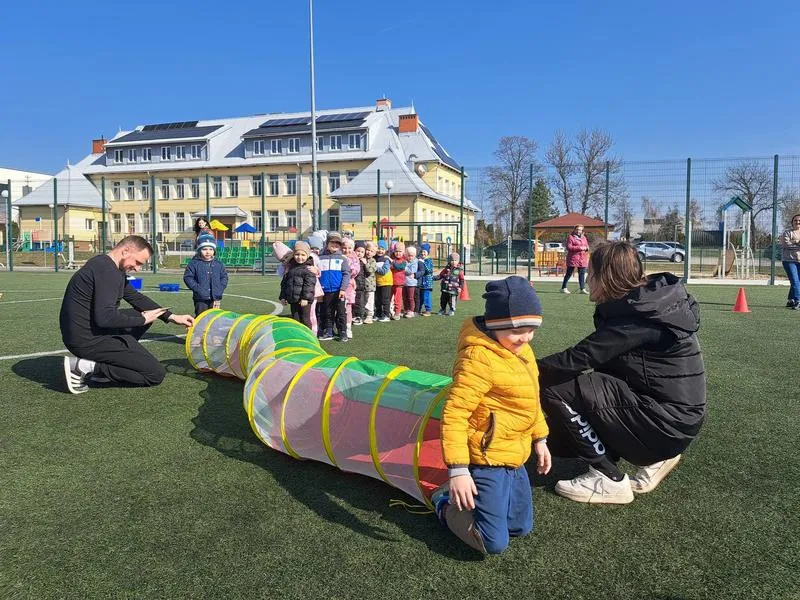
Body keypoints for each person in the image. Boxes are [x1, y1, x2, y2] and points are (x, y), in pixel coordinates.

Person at [537, 241, 706, 504]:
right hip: (674, 419)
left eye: (591, 273)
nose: (588, 278)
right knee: (560, 435)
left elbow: (579, 358)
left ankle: (608, 479)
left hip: (666, 424)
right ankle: (656, 457)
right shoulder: (646, 305)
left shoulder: (637, 317)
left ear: (605, 277)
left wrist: (520, 367)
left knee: (554, 387)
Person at [433, 276, 550, 554]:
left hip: (515, 455)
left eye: (531, 329)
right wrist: (459, 469)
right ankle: (443, 503)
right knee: (493, 542)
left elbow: (530, 399)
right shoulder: (479, 359)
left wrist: (540, 438)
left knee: (520, 527)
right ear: (496, 325)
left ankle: (478, 503)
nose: (526, 337)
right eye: (517, 331)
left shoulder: (521, 351)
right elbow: (455, 413)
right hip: (486, 459)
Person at [59, 235, 194, 394]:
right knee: (155, 374)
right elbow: (105, 318)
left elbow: (135, 297)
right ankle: (86, 367)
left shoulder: (106, 265)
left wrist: (172, 317)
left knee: (142, 314)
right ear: (125, 251)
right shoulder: (107, 271)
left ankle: (107, 366)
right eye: (137, 262)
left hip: (85, 332)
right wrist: (143, 319)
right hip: (86, 340)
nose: (137, 269)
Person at [183, 233, 228, 316]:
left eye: (211, 249)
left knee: (214, 318)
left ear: (214, 250)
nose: (208, 252)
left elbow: (224, 277)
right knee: (201, 317)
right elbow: (188, 277)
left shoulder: (219, 264)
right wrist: (197, 288)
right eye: (204, 249)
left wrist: (219, 289)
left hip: (215, 298)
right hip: (200, 299)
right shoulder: (194, 263)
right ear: (199, 250)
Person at [318, 231, 351, 342]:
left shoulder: (343, 259)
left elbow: (346, 275)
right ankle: (329, 331)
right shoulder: (320, 258)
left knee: (341, 312)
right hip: (325, 291)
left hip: (338, 291)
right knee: (327, 312)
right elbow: (317, 274)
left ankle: (343, 331)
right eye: (332, 242)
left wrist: (342, 289)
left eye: (338, 243)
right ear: (327, 243)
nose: (335, 245)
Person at [279, 241, 317, 330]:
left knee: (305, 320)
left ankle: (309, 338)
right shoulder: (290, 268)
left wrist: (305, 298)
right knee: (296, 320)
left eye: (303, 255)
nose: (300, 257)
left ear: (307, 255)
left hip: (304, 301)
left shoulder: (309, 268)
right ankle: (299, 338)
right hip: (293, 299)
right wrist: (282, 297)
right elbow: (285, 283)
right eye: (297, 254)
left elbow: (309, 286)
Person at [561, 224, 590, 294]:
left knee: (582, 274)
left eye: (580, 229)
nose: (578, 231)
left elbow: (586, 245)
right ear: (574, 230)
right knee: (569, 273)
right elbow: (569, 247)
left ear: (582, 230)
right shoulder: (570, 237)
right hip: (573, 258)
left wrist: (587, 248)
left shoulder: (584, 238)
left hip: (582, 258)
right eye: (577, 229)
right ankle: (563, 288)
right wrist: (580, 248)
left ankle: (582, 289)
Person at [779, 213, 800, 309]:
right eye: (795, 220)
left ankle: (790, 300)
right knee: (795, 281)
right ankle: (798, 301)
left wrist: (794, 242)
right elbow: (785, 244)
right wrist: (797, 243)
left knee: (797, 281)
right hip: (789, 261)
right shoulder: (787, 233)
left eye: (799, 221)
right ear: (792, 222)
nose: (797, 222)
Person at [374, 240, 393, 322]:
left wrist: (374, 267)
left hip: (386, 282)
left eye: (382, 249)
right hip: (378, 282)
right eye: (378, 248)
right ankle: (378, 314)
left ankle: (386, 315)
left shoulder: (386, 259)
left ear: (385, 250)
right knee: (377, 299)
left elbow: (383, 271)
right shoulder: (374, 258)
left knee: (385, 299)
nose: (380, 251)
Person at [390, 242, 407, 320]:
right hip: (390, 282)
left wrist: (393, 263)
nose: (398, 253)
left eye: (400, 251)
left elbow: (399, 267)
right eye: (396, 251)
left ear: (403, 252)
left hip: (399, 283)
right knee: (389, 298)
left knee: (397, 298)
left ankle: (397, 312)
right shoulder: (392, 258)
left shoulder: (404, 260)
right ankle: (389, 311)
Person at [361, 241, 378, 324]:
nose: (369, 252)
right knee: (362, 300)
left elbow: (371, 270)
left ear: (374, 253)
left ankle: (369, 315)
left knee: (369, 301)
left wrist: (365, 263)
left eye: (371, 251)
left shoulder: (373, 261)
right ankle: (362, 314)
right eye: (368, 250)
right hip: (362, 285)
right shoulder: (362, 258)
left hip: (370, 285)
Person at [418, 243, 434, 316]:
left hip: (427, 282)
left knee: (426, 296)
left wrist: (423, 262)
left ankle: (428, 310)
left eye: (424, 251)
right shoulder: (419, 259)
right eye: (422, 251)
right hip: (421, 281)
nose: (422, 253)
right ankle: (418, 309)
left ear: (427, 252)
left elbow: (429, 270)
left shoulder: (429, 260)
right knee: (420, 296)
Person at [403, 245, 419, 318]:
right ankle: (406, 309)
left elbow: (411, 271)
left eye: (412, 256)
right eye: (408, 255)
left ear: (415, 255)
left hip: (411, 283)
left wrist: (404, 268)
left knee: (410, 297)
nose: (410, 257)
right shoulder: (405, 261)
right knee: (405, 297)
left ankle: (411, 311)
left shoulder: (415, 262)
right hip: (404, 282)